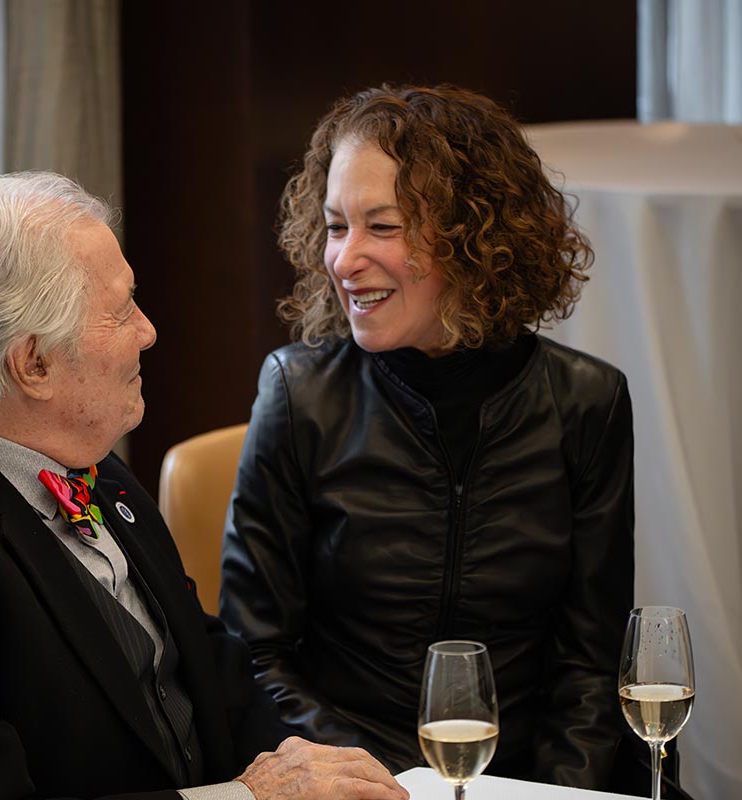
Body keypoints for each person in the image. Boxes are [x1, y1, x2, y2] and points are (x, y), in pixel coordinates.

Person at [0, 171, 408, 800]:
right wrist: (247, 798)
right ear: (33, 363)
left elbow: (207, 668)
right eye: (121, 310)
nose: (148, 331)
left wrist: (334, 777)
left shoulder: (73, 454)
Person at [219, 85, 635, 789]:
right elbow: (254, 656)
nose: (344, 260)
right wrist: (382, 787)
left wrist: (557, 795)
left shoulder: (585, 402)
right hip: (357, 783)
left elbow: (589, 671)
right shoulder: (300, 395)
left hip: (527, 781)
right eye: (335, 226)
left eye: (382, 227)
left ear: (475, 238)